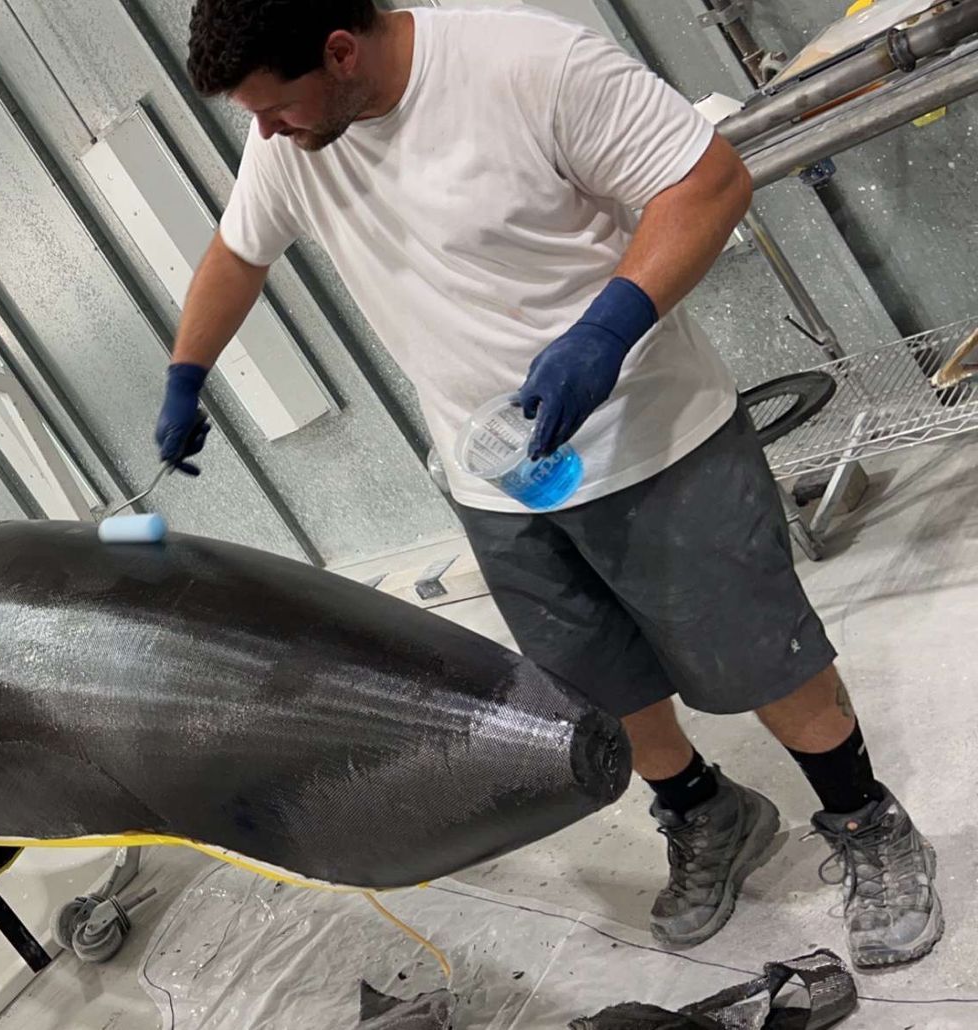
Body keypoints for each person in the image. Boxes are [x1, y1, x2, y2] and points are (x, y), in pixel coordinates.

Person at [166, 0, 940, 967]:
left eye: (275, 109)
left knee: (764, 664)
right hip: (498, 479)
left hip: (652, 442)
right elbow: (238, 254)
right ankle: (708, 812)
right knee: (602, 684)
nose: (265, 132)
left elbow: (707, 180)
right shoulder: (292, 138)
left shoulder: (527, 63)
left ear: (340, 50)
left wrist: (607, 328)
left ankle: (868, 821)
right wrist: (187, 373)